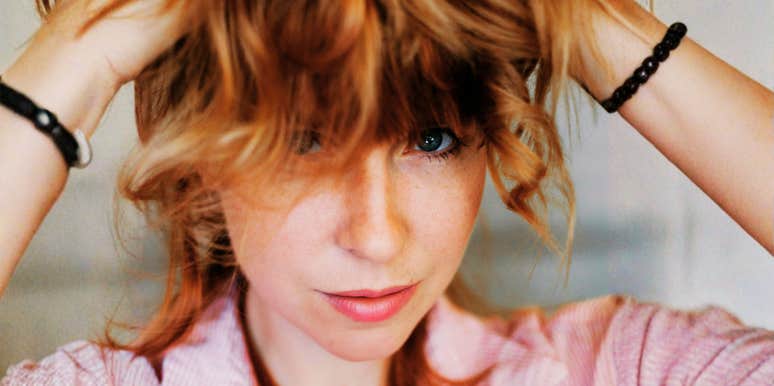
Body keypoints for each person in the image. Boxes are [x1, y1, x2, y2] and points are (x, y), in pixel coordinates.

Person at [1, 0, 773, 384]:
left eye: (431, 139)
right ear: (203, 157)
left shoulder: (614, 370)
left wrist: (588, 21)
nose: (376, 235)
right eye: (304, 140)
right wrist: (82, 49)